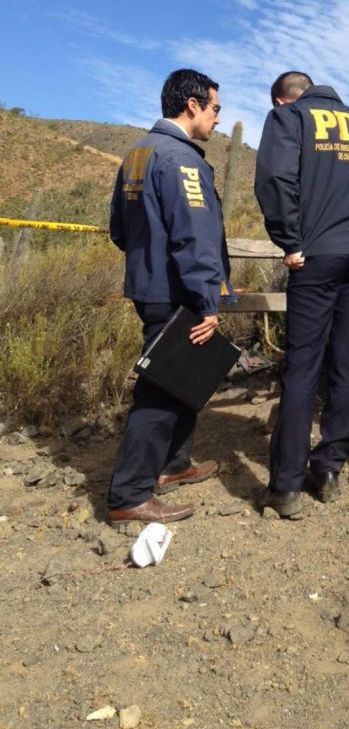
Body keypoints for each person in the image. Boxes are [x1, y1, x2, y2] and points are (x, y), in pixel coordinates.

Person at [255, 71, 349, 517]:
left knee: (303, 364)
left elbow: (275, 180)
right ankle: (330, 466)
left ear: (283, 98)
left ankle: (286, 486)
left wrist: (289, 241)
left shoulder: (289, 120)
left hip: (316, 257)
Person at [107, 69, 233, 525]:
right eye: (216, 108)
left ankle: (172, 466)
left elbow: (119, 231)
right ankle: (129, 494)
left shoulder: (136, 154)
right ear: (193, 105)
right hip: (178, 292)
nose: (219, 119)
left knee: (187, 379)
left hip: (150, 287)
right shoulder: (182, 160)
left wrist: (149, 264)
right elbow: (194, 241)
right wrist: (207, 302)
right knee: (161, 392)